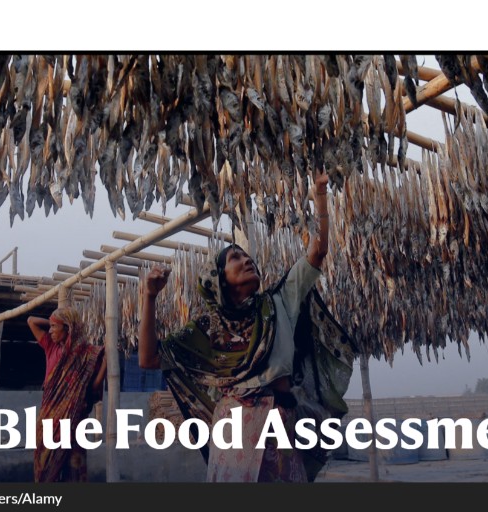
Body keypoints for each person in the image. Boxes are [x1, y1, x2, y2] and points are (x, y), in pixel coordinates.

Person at [138, 171, 354, 482]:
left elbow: (317, 252)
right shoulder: (210, 328)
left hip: (282, 423)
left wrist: (320, 194)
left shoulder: (279, 302)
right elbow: (148, 359)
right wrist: (149, 296)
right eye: (235, 258)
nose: (246, 260)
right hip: (235, 429)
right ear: (220, 279)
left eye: (247, 256)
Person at [27, 307, 107, 482]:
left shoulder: (87, 355)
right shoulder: (50, 347)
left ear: (68, 328)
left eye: (55, 327)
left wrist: (105, 364)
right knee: (45, 468)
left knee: (74, 470)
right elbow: (31, 321)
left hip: (74, 421)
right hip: (49, 419)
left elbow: (93, 389)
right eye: (51, 326)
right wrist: (56, 322)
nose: (50, 331)